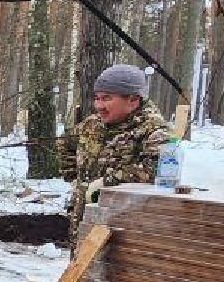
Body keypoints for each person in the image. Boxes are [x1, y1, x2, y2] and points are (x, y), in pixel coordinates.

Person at [60, 64, 171, 236]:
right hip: (82, 224)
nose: (99, 105)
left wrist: (107, 182)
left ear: (133, 100)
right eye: (97, 98)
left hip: (123, 231)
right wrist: (76, 179)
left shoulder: (154, 132)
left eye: (107, 98)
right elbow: (67, 143)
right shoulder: (93, 124)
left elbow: (155, 174)